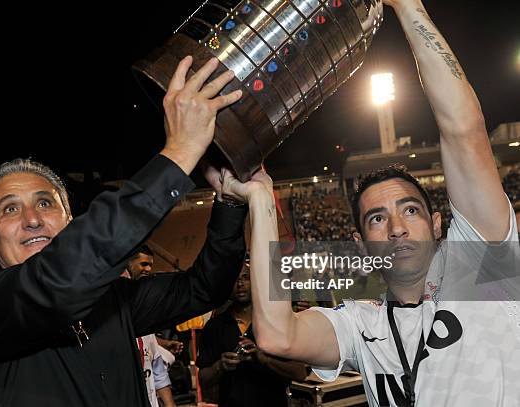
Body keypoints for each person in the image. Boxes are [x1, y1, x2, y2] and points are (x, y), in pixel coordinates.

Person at [244, 1, 519, 406]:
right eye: (377, 218)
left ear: (438, 224)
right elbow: (276, 334)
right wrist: (259, 199)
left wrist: (408, 7)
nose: (397, 227)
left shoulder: (483, 266)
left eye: (410, 210)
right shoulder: (361, 323)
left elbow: (464, 131)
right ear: (359, 243)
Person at [0, 56, 250, 406]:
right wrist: (177, 155)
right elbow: (57, 282)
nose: (32, 219)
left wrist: (229, 204)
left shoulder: (113, 302)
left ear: (70, 218)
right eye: (10, 209)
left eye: (45, 203)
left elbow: (205, 287)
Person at [197, 261, 307, 407]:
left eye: (245, 277)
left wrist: (265, 359)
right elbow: (203, 380)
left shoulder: (276, 322)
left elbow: (300, 373)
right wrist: (220, 366)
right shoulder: (214, 327)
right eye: (234, 279)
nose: (240, 284)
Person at [121, 245, 176, 407]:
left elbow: (158, 370)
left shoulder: (145, 315)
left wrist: (170, 404)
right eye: (143, 264)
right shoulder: (115, 313)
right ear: (128, 264)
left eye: (151, 265)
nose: (149, 269)